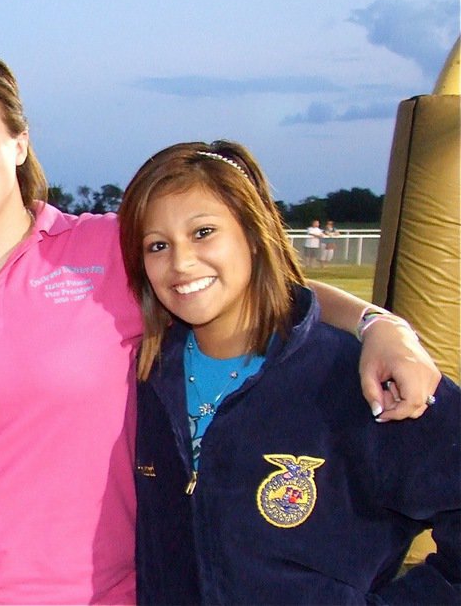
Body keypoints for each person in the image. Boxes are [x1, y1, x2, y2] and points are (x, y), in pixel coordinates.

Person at [0, 50, 442, 604]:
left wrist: (378, 325)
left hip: (93, 595)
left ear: (19, 143)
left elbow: (255, 284)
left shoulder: (110, 247)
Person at [119, 140, 459, 603]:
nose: (180, 263)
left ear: (254, 235)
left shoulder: (353, 375)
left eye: (203, 233)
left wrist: (380, 325)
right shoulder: (145, 375)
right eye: (158, 245)